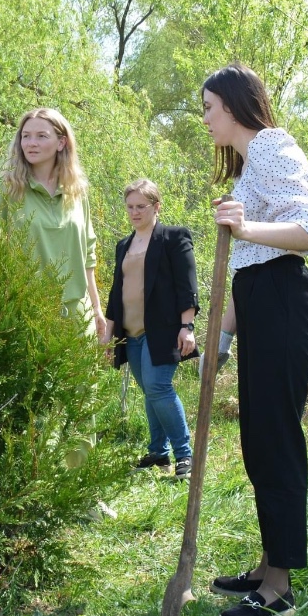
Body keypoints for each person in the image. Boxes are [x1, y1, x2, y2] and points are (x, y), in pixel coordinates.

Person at [201, 63, 308, 616]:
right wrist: (221, 342)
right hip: (258, 304)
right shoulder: (248, 170)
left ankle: (278, 590)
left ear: (232, 106)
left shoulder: (275, 145)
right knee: (257, 441)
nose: (204, 119)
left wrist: (245, 227)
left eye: (208, 107)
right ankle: (268, 561)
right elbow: (245, 269)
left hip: (284, 304)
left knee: (275, 442)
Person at [102, 179, 199, 480]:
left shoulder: (173, 238)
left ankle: (185, 455)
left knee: (158, 387)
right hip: (130, 333)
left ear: (156, 206)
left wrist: (187, 326)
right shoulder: (123, 245)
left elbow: (187, 286)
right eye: (130, 207)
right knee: (150, 392)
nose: (134, 212)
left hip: (163, 331)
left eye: (140, 206)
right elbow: (115, 293)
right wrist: (107, 335)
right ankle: (159, 451)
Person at [0, 108, 105, 340]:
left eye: (41, 136)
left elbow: (88, 255)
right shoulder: (4, 189)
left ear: (61, 142)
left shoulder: (77, 191)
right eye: (25, 136)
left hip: (77, 320)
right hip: (26, 317)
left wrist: (96, 309)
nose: (31, 143)